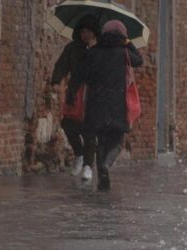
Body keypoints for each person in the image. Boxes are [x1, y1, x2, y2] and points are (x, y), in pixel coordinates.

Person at [68, 20, 143, 191]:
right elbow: (139, 60)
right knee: (116, 140)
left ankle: (102, 169)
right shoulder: (124, 53)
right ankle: (105, 165)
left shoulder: (93, 52)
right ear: (122, 36)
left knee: (100, 139)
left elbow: (81, 76)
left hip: (96, 103)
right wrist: (129, 43)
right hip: (117, 103)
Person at [51, 15, 98, 177]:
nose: (85, 35)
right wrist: (56, 81)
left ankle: (88, 166)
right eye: (83, 31)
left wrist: (93, 51)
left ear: (94, 33)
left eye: (89, 32)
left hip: (93, 93)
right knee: (68, 123)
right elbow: (62, 64)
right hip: (74, 92)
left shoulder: (99, 50)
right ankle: (79, 153)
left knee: (90, 129)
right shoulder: (72, 48)